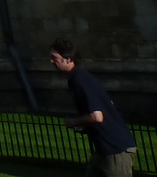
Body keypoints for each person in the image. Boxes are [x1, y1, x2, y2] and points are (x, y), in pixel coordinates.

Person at [51, 39, 138, 176]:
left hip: (115, 149)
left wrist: (73, 122)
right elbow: (109, 104)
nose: (51, 62)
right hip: (104, 148)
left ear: (68, 59)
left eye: (54, 58)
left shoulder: (79, 79)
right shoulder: (79, 77)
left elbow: (97, 116)